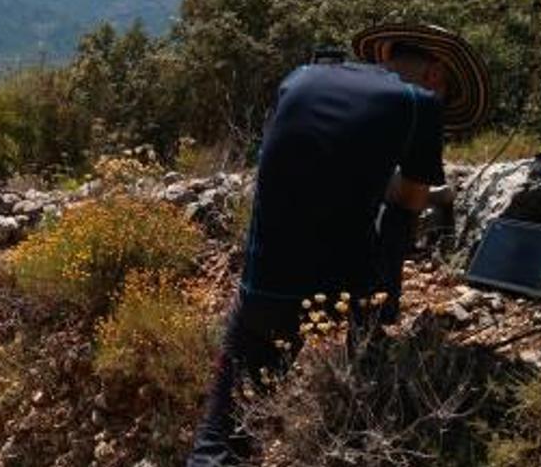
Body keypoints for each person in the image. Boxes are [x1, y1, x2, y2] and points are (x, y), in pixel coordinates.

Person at [186, 24, 490, 466]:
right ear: (436, 77)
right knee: (349, 428)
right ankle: (380, 312)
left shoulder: (301, 77)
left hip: (260, 291)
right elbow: (409, 200)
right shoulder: (419, 104)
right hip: (343, 304)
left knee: (221, 437)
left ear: (385, 53)